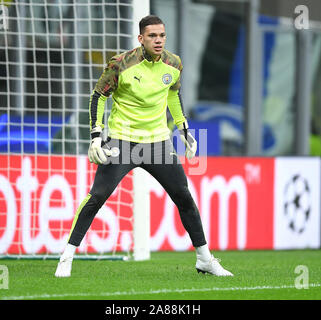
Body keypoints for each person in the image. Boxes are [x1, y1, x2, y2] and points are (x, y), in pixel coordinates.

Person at [55, 15, 233, 277]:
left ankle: (205, 259)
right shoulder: (121, 64)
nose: (158, 40)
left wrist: (183, 127)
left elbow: (173, 93)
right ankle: (66, 257)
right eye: (152, 36)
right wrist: (96, 135)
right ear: (141, 38)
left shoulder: (174, 64)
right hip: (122, 140)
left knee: (184, 197)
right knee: (98, 196)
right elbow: (98, 96)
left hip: (158, 142)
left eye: (161, 35)